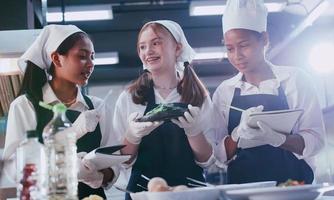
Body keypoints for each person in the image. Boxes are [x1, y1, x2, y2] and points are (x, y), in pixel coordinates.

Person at [213, 0, 325, 184]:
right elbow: (218, 155)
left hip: (294, 189)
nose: (237, 56)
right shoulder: (224, 92)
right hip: (243, 191)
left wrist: (279, 139)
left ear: (264, 39)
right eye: (230, 49)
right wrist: (237, 135)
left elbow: (316, 141)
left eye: (244, 45)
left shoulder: (295, 80)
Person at [2, 24, 120, 199]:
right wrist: (65, 163)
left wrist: (98, 176)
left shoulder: (98, 107)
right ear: (57, 59)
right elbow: (14, 170)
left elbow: (115, 163)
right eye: (82, 56)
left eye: (92, 57)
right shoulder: (25, 106)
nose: (90, 64)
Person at [112, 20, 216, 199]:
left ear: (177, 48)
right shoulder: (129, 98)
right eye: (142, 47)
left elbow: (207, 161)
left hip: (189, 192)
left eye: (156, 43)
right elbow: (123, 161)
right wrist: (132, 135)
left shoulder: (199, 97)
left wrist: (194, 131)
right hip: (142, 194)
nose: (148, 51)